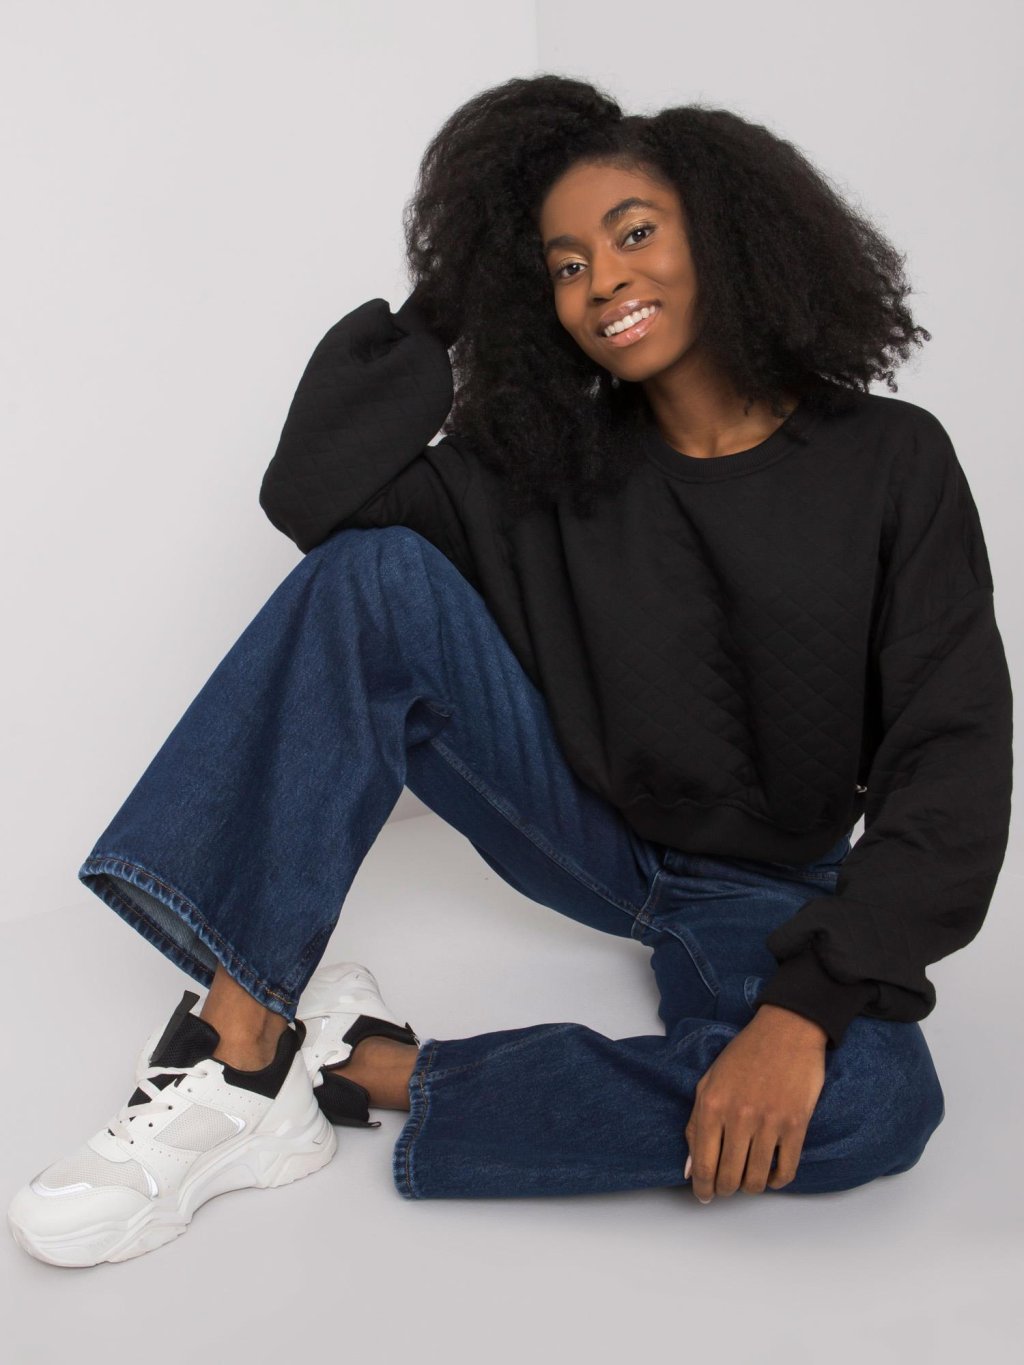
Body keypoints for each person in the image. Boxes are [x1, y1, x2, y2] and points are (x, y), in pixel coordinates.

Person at [8, 74, 1013, 1268]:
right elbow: (317, 498)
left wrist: (801, 1009)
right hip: (583, 825)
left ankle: (369, 1066)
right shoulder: (545, 460)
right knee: (371, 574)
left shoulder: (891, 460)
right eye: (564, 264)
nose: (604, 282)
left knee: (872, 1105)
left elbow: (951, 759)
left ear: (725, 228)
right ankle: (238, 1054)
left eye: (633, 233)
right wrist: (455, 290)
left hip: (771, 891)